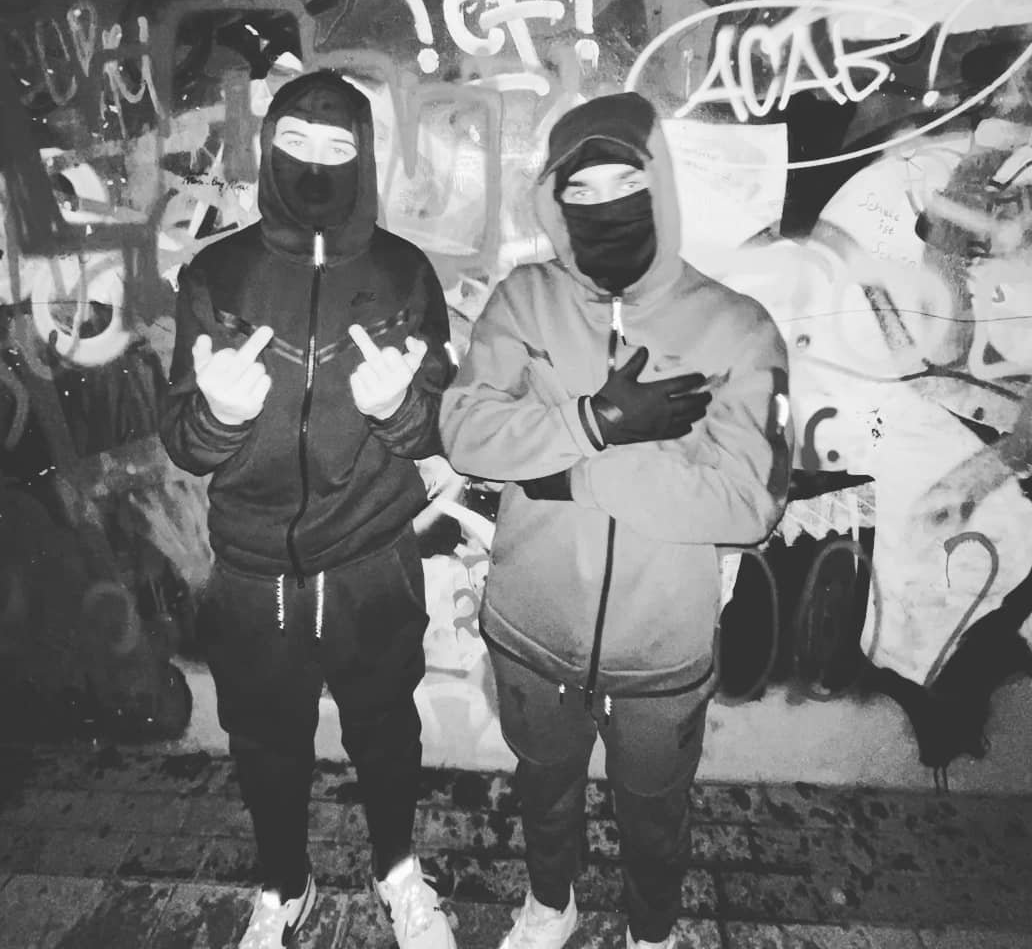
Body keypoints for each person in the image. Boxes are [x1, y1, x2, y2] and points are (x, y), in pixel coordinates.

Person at [439, 91, 792, 949]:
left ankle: (652, 931)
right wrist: (592, 422)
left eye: (625, 183)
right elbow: (466, 432)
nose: (605, 206)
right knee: (543, 788)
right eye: (581, 190)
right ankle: (549, 906)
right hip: (530, 628)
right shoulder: (524, 301)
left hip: (661, 649)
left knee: (655, 810)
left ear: (658, 183)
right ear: (554, 201)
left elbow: (751, 502)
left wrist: (583, 472)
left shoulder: (737, 327)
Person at [160, 69, 458, 949]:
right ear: (266, 150)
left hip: (372, 559)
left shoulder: (405, 272)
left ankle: (397, 870)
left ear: (365, 158)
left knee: (386, 729)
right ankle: (284, 886)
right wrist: (219, 415)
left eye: (338, 147)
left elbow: (441, 424)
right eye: (296, 142)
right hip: (253, 571)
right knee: (264, 741)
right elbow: (183, 438)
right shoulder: (217, 272)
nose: (316, 165)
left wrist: (397, 410)